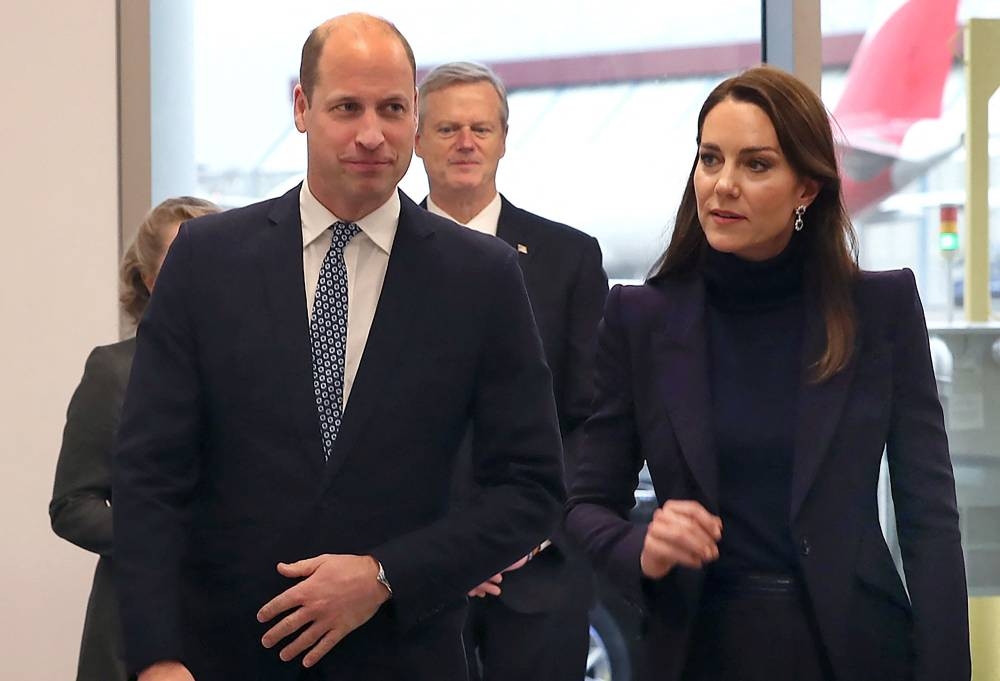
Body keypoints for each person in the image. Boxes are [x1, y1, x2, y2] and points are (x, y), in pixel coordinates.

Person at [112, 13, 564, 681]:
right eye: (347, 107)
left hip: (403, 657)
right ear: (302, 107)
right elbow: (149, 475)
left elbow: (530, 489)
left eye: (392, 109)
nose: (372, 133)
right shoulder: (207, 260)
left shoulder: (481, 276)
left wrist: (386, 575)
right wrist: (156, 657)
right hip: (223, 659)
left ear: (415, 117)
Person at [565, 65, 970, 681]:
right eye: (710, 159)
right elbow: (587, 503)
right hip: (698, 649)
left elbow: (929, 519)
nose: (723, 184)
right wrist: (640, 547)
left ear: (806, 188)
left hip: (853, 651)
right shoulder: (640, 317)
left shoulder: (879, 310)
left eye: (755, 165)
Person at [414, 61, 608, 681]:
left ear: (503, 139)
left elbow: (593, 417)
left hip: (539, 569)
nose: (465, 143)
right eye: (447, 129)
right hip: (410, 574)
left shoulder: (570, 258)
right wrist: (444, 547)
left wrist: (520, 531)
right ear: (416, 141)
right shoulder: (374, 256)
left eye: (480, 128)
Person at [49, 197, 220, 681]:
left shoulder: (262, 370)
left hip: (233, 617)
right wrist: (161, 536)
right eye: (183, 263)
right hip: (131, 628)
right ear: (148, 279)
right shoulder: (113, 369)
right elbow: (72, 505)